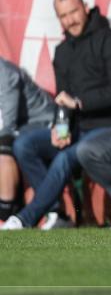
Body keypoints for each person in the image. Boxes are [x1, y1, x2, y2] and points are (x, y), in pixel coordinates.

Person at [2, 0, 111, 230]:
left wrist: (81, 102)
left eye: (73, 12)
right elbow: (64, 101)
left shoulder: (110, 39)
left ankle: (25, 219)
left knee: (66, 157)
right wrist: (60, 128)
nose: (70, 20)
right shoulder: (62, 52)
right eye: (63, 16)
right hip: (78, 131)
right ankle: (57, 214)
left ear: (86, 7)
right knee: (24, 144)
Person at [0, 58, 55, 222]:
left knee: (4, 149)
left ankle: (5, 215)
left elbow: (8, 123)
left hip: (42, 122)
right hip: (21, 125)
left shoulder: (5, 73)